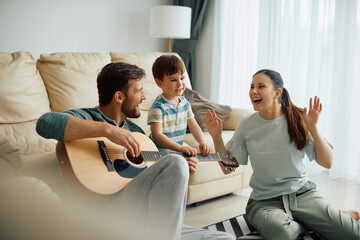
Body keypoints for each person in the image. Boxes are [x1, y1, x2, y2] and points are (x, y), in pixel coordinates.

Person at [36, 62, 234, 240]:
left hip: (143, 218)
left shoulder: (136, 132)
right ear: (119, 96)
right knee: (175, 162)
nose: (145, 97)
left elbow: (156, 181)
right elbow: (45, 123)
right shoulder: (86, 116)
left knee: (225, 238)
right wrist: (108, 130)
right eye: (139, 91)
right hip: (110, 213)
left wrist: (182, 169)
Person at [204, 69, 360, 240]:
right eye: (251, 86)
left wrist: (313, 127)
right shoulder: (246, 124)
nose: (253, 91)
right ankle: (310, 223)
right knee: (281, 234)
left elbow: (327, 162)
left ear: (277, 92)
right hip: (264, 202)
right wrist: (217, 137)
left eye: (260, 86)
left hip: (302, 195)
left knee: (353, 234)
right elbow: (229, 168)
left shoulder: (298, 119)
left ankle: (312, 220)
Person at [148, 54, 212, 156]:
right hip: (159, 153)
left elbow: (193, 125)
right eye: (173, 80)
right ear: (159, 83)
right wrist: (180, 148)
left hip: (177, 151)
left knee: (192, 165)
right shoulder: (158, 107)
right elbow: (157, 135)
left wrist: (202, 142)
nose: (180, 84)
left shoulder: (185, 103)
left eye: (182, 78)